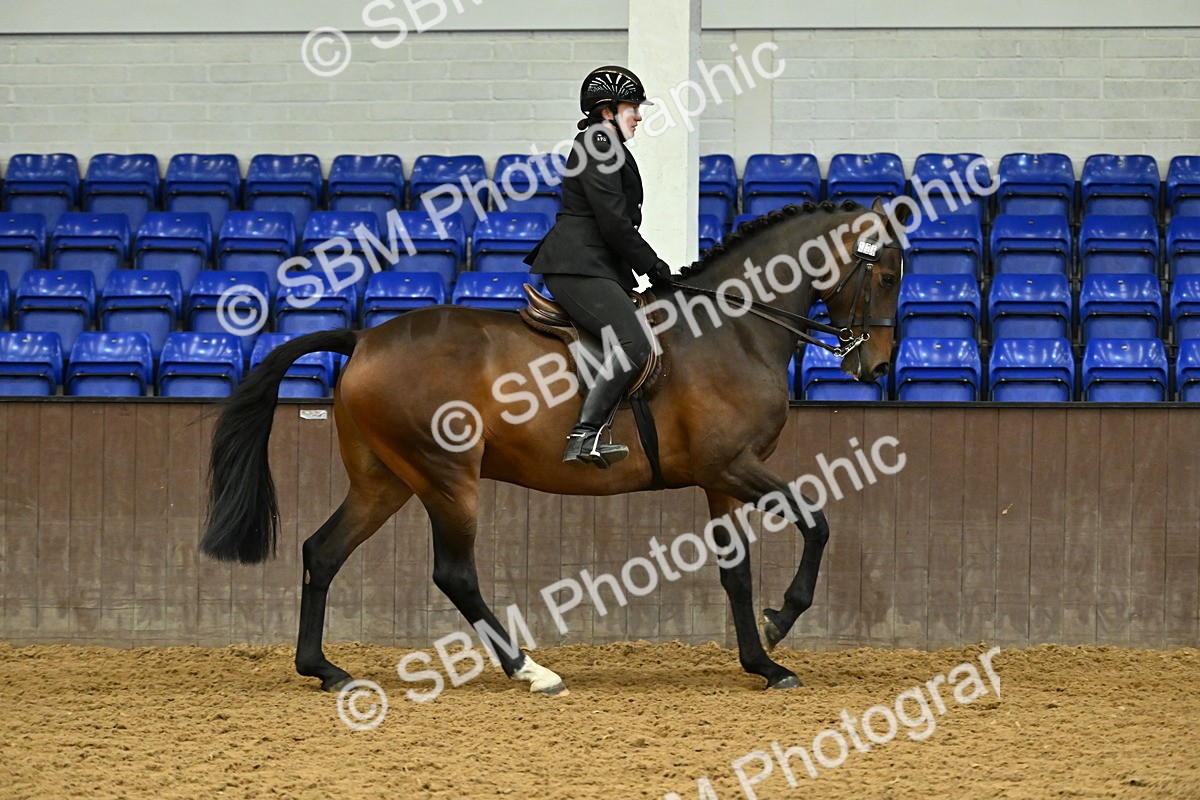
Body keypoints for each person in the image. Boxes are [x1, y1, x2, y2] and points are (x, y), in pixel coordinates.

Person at [524, 65, 674, 469]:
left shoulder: (608, 143)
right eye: (632, 107)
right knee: (634, 342)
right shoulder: (598, 141)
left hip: (595, 264)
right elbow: (613, 223)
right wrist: (654, 266)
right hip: (578, 265)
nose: (639, 115)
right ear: (607, 111)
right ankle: (583, 435)